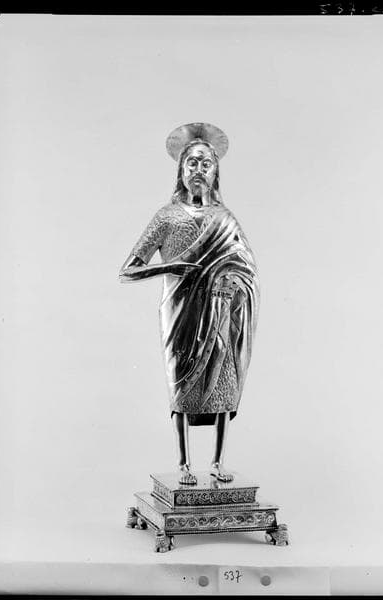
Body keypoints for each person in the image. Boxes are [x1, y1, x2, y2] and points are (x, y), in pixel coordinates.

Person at [119, 123, 259, 485]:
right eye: (192, 163)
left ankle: (217, 462)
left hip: (220, 310)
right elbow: (128, 270)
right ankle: (183, 464)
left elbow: (247, 269)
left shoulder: (224, 219)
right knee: (181, 386)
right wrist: (170, 266)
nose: (198, 170)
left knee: (224, 380)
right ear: (181, 170)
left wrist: (233, 283)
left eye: (206, 164)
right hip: (180, 313)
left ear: (215, 173)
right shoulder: (167, 217)